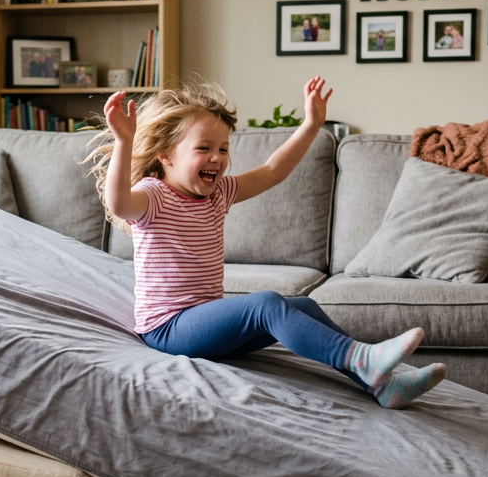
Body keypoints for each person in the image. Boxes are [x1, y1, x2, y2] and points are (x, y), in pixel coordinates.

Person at [83, 79, 447, 409]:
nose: (217, 158)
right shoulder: (154, 195)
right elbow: (118, 205)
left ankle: (383, 385)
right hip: (168, 330)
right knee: (266, 304)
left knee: (302, 305)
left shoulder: (218, 193)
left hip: (205, 325)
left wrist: (311, 125)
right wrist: (124, 141)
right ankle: (361, 358)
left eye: (224, 149)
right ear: (165, 155)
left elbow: (274, 170)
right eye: (204, 148)